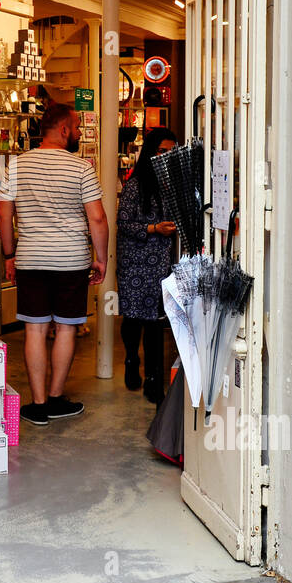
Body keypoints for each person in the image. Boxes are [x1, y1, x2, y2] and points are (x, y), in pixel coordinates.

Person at [0, 101, 108, 426]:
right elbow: (97, 218)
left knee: (34, 328)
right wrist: (101, 259)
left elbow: (4, 213)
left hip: (31, 257)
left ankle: (38, 404)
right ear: (62, 129)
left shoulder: (16, 166)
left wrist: (9, 254)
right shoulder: (81, 168)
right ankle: (57, 398)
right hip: (71, 258)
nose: (77, 133)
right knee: (66, 328)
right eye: (75, 127)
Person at [116, 127, 178, 405]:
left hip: (161, 260)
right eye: (163, 151)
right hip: (135, 259)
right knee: (133, 316)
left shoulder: (174, 183)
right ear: (152, 151)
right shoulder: (135, 184)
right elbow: (124, 223)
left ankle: (154, 381)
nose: (167, 157)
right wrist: (154, 228)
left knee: (155, 320)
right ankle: (131, 357)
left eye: (172, 152)